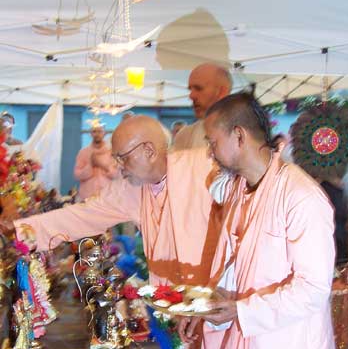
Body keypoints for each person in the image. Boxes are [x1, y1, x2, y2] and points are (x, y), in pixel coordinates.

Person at [179, 93, 340, 349]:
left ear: (238, 137)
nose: (210, 150)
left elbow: (313, 289)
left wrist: (240, 312)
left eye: (213, 141)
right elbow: (231, 267)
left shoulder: (301, 197)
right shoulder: (239, 189)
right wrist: (200, 306)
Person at [11, 115, 219, 290]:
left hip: (225, 294)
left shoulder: (204, 167)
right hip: (174, 297)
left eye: (123, 158)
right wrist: (19, 232)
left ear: (149, 150)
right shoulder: (130, 189)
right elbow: (81, 216)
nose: (119, 167)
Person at [173, 63, 232, 150]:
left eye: (198, 88)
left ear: (222, 92)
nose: (191, 96)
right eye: (190, 89)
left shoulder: (246, 134)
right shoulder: (185, 136)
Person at [74, 124, 118, 200]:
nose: (97, 134)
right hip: (87, 195)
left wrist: (102, 165)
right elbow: (77, 175)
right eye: (94, 131)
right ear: (90, 133)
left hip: (107, 195)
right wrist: (90, 165)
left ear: (104, 133)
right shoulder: (83, 152)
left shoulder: (112, 152)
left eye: (100, 131)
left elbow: (118, 175)